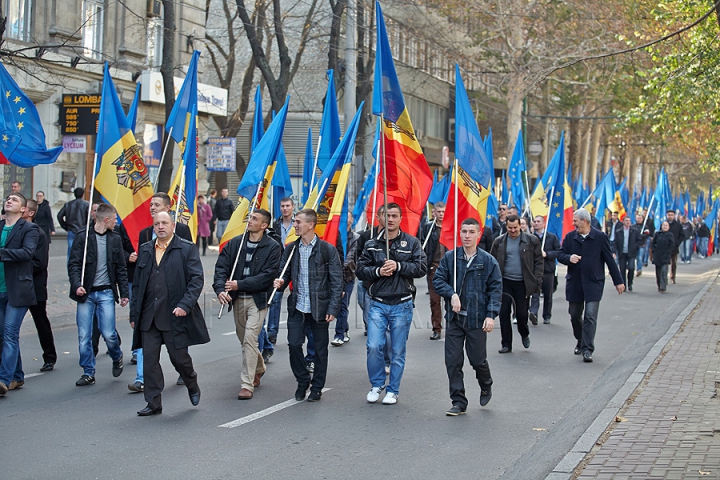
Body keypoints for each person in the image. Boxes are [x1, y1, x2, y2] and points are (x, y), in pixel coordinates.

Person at [131, 212, 209, 416]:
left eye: (164, 223)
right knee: (149, 361)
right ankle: (153, 403)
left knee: (179, 358)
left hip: (174, 315)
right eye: (156, 224)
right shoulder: (146, 249)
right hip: (149, 316)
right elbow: (138, 285)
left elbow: (196, 280)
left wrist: (185, 304)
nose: (160, 227)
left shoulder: (185, 248)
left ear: (173, 225)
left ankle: (191, 383)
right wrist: (134, 314)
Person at [356, 203, 427, 405]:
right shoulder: (371, 244)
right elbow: (360, 270)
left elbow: (421, 267)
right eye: (387, 215)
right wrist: (378, 271)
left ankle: (393, 390)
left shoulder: (411, 243)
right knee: (373, 345)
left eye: (395, 215)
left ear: (400, 218)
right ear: (381, 218)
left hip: (402, 304)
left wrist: (399, 266)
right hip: (377, 303)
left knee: (397, 351)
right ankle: (377, 384)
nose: (391, 219)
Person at [433, 218, 502, 416]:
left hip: (477, 319)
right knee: (453, 361)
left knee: (477, 360)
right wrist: (451, 294)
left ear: (478, 234)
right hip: (455, 320)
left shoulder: (488, 261)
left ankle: (485, 383)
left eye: (471, 232)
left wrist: (490, 315)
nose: (467, 236)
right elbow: (438, 280)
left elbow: (496, 290)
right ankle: (458, 401)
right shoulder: (450, 258)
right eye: (464, 231)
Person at [273, 209, 342, 402]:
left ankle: (317, 387)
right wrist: (279, 283)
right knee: (294, 344)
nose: (294, 225)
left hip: (320, 307)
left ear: (310, 225)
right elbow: (284, 274)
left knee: (320, 349)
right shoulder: (291, 249)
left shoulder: (327, 250)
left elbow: (337, 281)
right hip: (297, 306)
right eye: (294, 222)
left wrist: (333, 308)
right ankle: (303, 379)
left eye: (298, 222)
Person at [214, 209, 281, 400]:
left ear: (264, 225)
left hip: (258, 300)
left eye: (254, 219)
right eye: (250, 217)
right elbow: (221, 267)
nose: (249, 221)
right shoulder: (236, 243)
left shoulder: (273, 247)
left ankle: (246, 384)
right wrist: (220, 289)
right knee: (244, 339)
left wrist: (239, 284)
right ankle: (259, 367)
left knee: (251, 337)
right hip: (238, 299)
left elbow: (267, 277)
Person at [67, 203, 129, 386]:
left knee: (109, 333)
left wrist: (124, 292)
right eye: (115, 218)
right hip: (86, 294)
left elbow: (121, 269)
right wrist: (77, 285)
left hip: (106, 292)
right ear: (106, 219)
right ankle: (88, 371)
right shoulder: (83, 237)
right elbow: (74, 264)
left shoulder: (115, 239)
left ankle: (116, 356)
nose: (116, 221)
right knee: (84, 335)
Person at [556, 208, 624, 363]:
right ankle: (580, 340)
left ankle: (587, 349)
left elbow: (609, 260)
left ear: (584, 221)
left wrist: (618, 281)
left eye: (575, 221)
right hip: (575, 283)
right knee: (574, 315)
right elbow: (560, 254)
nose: (573, 224)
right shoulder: (570, 237)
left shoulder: (600, 237)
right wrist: (568, 258)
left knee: (590, 316)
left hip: (594, 283)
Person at [0, 192, 39, 396]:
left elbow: (27, 253)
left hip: (17, 290)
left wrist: (1, 253)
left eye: (14, 199)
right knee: (3, 336)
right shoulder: (0, 226)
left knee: (9, 334)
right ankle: (17, 376)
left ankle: (3, 380)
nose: (9, 200)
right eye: (8, 198)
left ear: (23, 209)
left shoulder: (29, 229)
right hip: (0, 289)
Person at [490, 214, 543, 352]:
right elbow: (492, 262)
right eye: (509, 228)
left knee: (521, 314)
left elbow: (538, 262)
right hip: (505, 282)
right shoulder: (499, 242)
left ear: (520, 225)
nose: (513, 230)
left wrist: (537, 280)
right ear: (506, 226)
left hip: (523, 283)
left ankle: (524, 333)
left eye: (515, 227)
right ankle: (506, 344)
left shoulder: (531, 240)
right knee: (504, 313)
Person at [22, 200, 57, 372]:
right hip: (16, 286)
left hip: (35, 286)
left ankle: (50, 356)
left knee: (40, 321)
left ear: (30, 213)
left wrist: (17, 264)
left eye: (24, 208)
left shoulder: (39, 234)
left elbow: (40, 263)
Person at [266, 196, 295, 345]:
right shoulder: (275, 225)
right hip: (279, 266)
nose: (285, 208)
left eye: (287, 206)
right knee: (275, 299)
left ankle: (296, 334)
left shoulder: (298, 224)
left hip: (295, 264)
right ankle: (272, 332)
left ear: (293, 207)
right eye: (282, 206)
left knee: (296, 300)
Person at [419, 202, 447, 340]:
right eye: (439, 211)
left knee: (450, 298)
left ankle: (454, 326)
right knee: (435, 300)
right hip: (434, 267)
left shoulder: (451, 227)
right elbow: (422, 244)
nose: (441, 214)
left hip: (449, 268)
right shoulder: (428, 227)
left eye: (443, 211)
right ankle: (437, 328)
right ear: (434, 212)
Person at [331, 212, 359, 346]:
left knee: (342, 305)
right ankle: (345, 328)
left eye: (347, 215)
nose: (345, 218)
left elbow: (351, 256)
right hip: (332, 276)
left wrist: (339, 266)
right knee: (336, 306)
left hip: (347, 276)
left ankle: (339, 334)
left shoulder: (355, 238)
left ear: (352, 219)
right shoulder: (334, 234)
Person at [529, 215, 561, 325]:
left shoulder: (551, 237)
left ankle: (547, 315)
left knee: (548, 294)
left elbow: (558, 251)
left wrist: (547, 254)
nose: (536, 223)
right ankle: (533, 313)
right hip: (535, 270)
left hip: (548, 270)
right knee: (535, 292)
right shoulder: (530, 238)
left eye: (538, 221)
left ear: (543, 223)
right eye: (534, 221)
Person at [57, 187, 89, 260]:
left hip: (71, 230)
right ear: (83, 195)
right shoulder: (86, 204)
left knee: (71, 251)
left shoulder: (68, 204)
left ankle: (71, 268)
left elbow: (59, 215)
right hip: (82, 230)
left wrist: (65, 226)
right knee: (83, 251)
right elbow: (89, 218)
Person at [613, 216, 641, 292]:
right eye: (626, 221)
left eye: (629, 221)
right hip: (622, 253)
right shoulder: (619, 231)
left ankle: (630, 283)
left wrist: (635, 247)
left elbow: (639, 240)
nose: (628, 222)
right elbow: (615, 242)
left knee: (631, 268)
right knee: (622, 269)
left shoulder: (634, 231)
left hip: (631, 253)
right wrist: (614, 252)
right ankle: (623, 284)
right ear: (623, 222)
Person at [652, 221, 674, 293]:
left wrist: (668, 252)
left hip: (665, 256)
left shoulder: (670, 235)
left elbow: (672, 244)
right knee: (658, 272)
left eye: (666, 225)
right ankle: (659, 284)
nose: (665, 227)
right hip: (657, 255)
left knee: (664, 271)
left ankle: (663, 286)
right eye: (664, 225)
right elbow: (653, 243)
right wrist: (654, 251)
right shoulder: (657, 234)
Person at [665, 210, 684, 284]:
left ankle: (673, 277)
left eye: (671, 215)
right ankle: (664, 277)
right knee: (665, 263)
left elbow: (682, 235)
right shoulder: (664, 224)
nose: (670, 216)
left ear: (674, 216)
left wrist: (677, 243)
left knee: (674, 263)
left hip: (674, 247)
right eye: (669, 215)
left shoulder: (678, 225)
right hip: (665, 247)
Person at [635, 213, 654, 277]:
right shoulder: (633, 226)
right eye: (638, 218)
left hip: (641, 244)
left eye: (640, 218)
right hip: (634, 245)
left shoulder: (645, 227)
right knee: (635, 258)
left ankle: (639, 269)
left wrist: (640, 236)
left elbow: (647, 234)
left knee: (640, 258)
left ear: (642, 219)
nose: (639, 219)